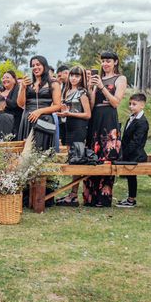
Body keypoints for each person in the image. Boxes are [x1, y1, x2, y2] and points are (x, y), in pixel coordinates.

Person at [82, 51, 127, 207]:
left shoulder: (120, 79)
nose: (105, 64)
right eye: (103, 61)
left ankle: (103, 198)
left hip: (109, 118)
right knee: (93, 154)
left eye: (108, 61)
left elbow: (115, 102)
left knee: (107, 156)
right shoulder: (98, 80)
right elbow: (92, 104)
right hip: (96, 118)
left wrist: (102, 87)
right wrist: (90, 88)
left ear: (115, 62)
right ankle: (90, 198)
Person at [55, 66, 92, 206]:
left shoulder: (82, 93)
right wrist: (63, 111)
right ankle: (72, 193)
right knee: (71, 158)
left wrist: (69, 113)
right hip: (67, 126)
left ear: (82, 78)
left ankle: (74, 195)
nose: (74, 78)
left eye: (77, 76)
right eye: (72, 75)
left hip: (78, 127)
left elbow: (88, 114)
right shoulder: (67, 90)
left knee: (76, 160)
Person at [16, 55, 62, 150]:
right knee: (27, 152)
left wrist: (39, 111)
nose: (35, 67)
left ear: (45, 66)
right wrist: (23, 87)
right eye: (33, 65)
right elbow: (20, 104)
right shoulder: (26, 83)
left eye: (38, 64)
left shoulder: (54, 83)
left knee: (43, 150)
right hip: (28, 119)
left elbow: (58, 106)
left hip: (45, 119)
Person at [116, 93, 149, 208]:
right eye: (130, 104)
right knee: (130, 176)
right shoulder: (132, 118)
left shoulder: (142, 122)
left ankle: (131, 199)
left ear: (142, 105)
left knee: (131, 175)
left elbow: (136, 142)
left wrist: (124, 153)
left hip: (135, 155)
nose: (131, 106)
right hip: (128, 153)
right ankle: (130, 198)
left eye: (134, 104)